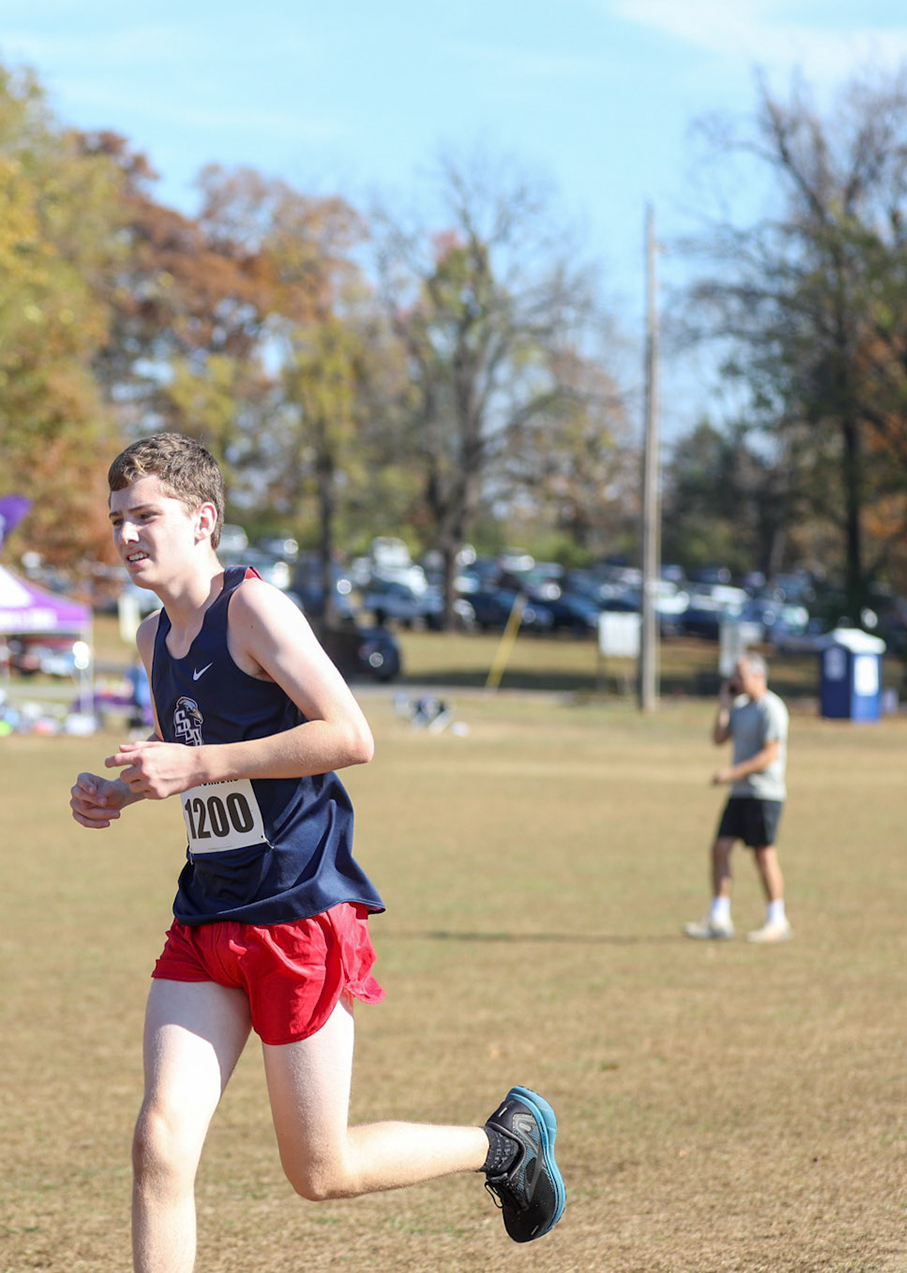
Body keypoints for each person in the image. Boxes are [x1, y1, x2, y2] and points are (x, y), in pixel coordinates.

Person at [68, 434, 564, 1272]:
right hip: (207, 917)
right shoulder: (155, 643)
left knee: (320, 1170)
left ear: (203, 520)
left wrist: (196, 764)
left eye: (145, 516)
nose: (126, 537)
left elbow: (350, 734)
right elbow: (195, 750)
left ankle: (504, 1145)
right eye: (118, 519)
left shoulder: (255, 610)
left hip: (299, 912)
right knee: (158, 1143)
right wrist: (125, 790)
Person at [684, 650, 792, 944]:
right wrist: (724, 704)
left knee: (763, 854)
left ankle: (777, 919)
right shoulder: (741, 707)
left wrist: (733, 773)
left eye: (740, 676)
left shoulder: (772, 709)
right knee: (720, 849)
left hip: (764, 794)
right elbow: (719, 738)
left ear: (758, 677)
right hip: (739, 793)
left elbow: (770, 754)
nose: (735, 681)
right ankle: (719, 918)